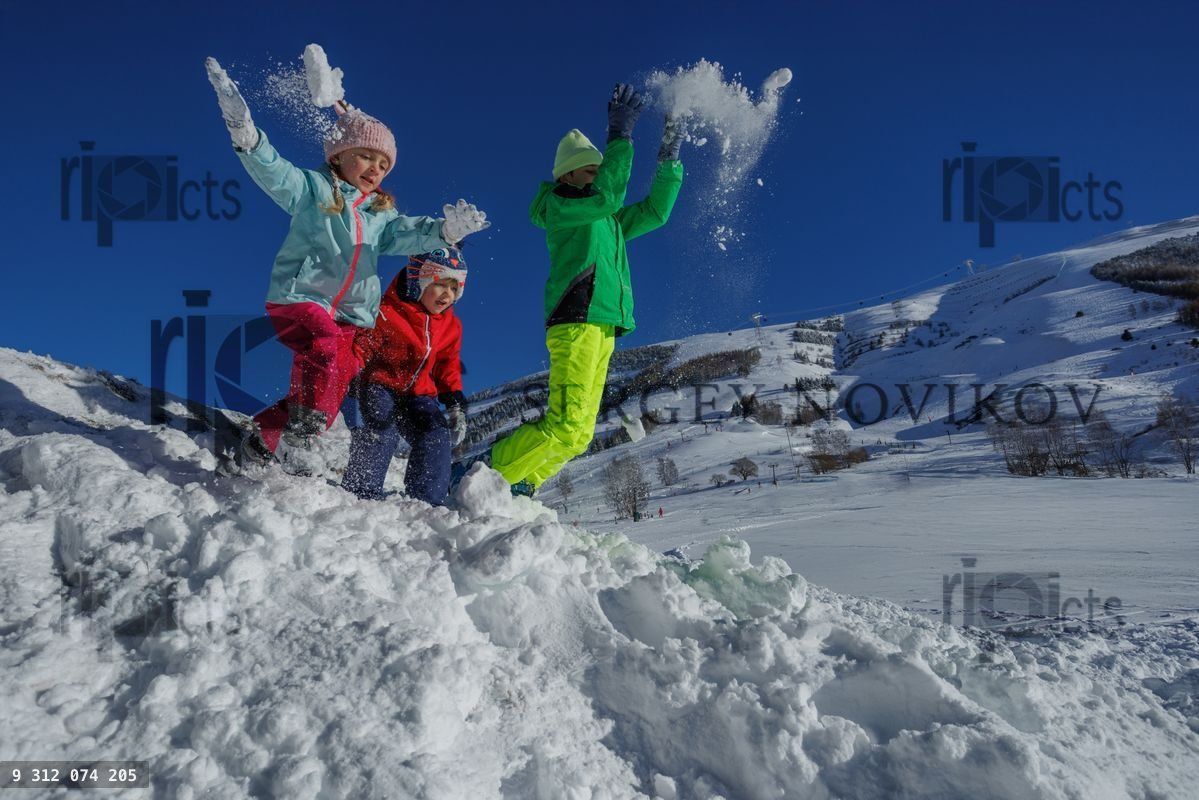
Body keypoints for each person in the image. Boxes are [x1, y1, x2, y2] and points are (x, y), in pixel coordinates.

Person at [204, 57, 488, 471]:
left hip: (352, 317)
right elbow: (275, 172)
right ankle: (300, 438)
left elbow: (407, 233)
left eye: (384, 164)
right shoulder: (312, 190)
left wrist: (444, 231)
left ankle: (260, 441)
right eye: (367, 157)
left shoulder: (380, 216)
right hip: (301, 299)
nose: (376, 169)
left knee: (327, 391)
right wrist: (246, 135)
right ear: (338, 155)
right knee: (321, 349)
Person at [489, 83, 684, 496]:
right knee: (565, 423)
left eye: (600, 168)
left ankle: (524, 484)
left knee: (578, 435)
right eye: (592, 169)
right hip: (575, 320)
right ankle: (489, 475)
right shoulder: (564, 209)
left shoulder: (606, 219)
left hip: (604, 328)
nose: (599, 176)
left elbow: (655, 212)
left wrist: (669, 158)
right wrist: (620, 138)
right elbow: (608, 196)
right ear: (569, 175)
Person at [341, 249, 468, 504]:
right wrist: (352, 373)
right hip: (379, 385)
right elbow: (363, 344)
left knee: (435, 434)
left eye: (454, 289)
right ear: (419, 281)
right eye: (440, 284)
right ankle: (360, 492)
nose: (447, 294)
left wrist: (453, 400)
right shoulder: (387, 311)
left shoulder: (451, 326)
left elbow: (447, 363)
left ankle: (426, 502)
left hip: (418, 395)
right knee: (382, 429)